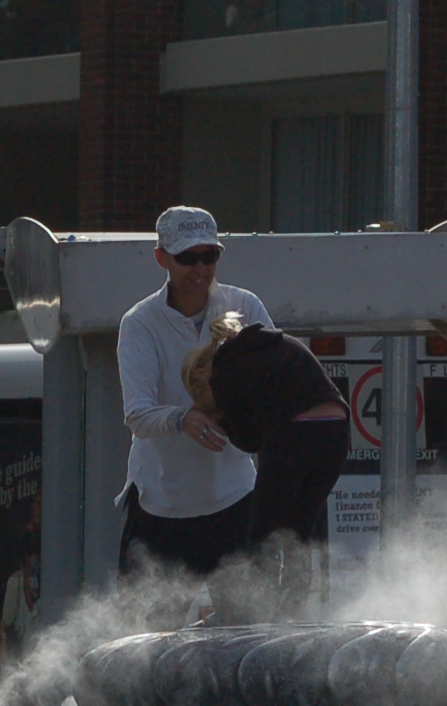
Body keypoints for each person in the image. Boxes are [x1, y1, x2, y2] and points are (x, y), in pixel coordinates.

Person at [117, 205, 273, 580]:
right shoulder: (140, 322)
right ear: (162, 258)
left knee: (248, 615)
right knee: (146, 616)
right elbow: (137, 414)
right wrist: (183, 418)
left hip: (234, 496)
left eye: (210, 256)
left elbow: (275, 381)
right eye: (188, 258)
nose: (200, 269)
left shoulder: (244, 306)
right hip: (160, 503)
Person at [181, 310, 349, 616]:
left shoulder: (222, 373)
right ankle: (292, 610)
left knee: (262, 532)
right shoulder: (274, 344)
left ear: (203, 374)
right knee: (300, 530)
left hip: (295, 432)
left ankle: (260, 610)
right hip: (337, 430)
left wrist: (222, 420)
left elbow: (250, 442)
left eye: (206, 402)